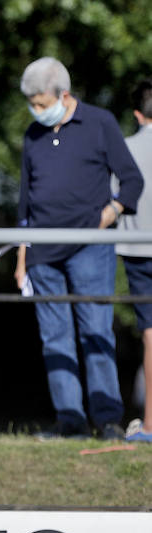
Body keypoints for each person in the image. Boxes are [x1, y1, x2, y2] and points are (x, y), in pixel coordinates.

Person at [15, 56, 143, 440]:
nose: (35, 111)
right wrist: (22, 257)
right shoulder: (32, 136)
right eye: (32, 104)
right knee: (54, 336)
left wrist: (109, 213)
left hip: (90, 248)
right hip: (42, 253)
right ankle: (69, 422)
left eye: (41, 103)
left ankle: (107, 419)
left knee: (96, 329)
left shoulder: (100, 123)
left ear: (63, 95)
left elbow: (132, 181)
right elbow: (25, 203)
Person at [117, 79, 152, 443]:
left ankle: (150, 424)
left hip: (138, 251)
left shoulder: (124, 149)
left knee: (150, 336)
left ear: (136, 113)